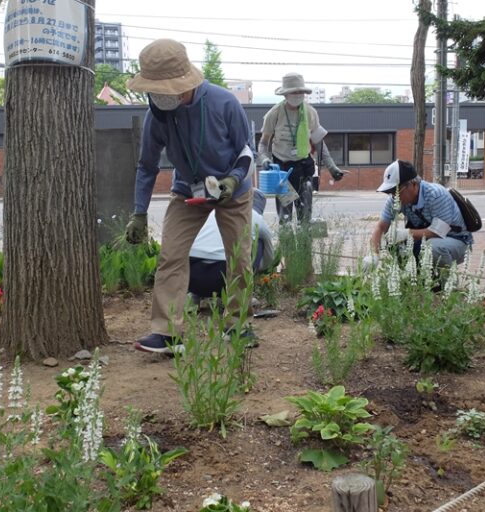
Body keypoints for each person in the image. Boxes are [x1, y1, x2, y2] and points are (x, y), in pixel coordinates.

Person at [124, 39, 255, 354]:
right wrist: (139, 212)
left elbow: (248, 149)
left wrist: (233, 181)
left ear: (183, 85)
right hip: (187, 190)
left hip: (231, 188)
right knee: (171, 254)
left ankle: (238, 324)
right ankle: (167, 333)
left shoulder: (224, 103)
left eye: (163, 89)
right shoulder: (156, 115)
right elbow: (146, 166)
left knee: (238, 256)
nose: (157, 96)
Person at [257, 72, 347, 223]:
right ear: (285, 94)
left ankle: (305, 245)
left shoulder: (310, 113)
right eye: (294, 91)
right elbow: (263, 143)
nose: (298, 95)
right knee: (285, 219)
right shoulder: (274, 114)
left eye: (301, 91)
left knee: (305, 218)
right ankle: (287, 245)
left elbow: (319, 142)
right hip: (282, 172)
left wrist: (332, 168)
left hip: (304, 168)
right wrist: (264, 158)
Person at [369, 160, 473, 270]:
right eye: (390, 192)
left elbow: (439, 231)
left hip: (456, 240)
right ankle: (411, 277)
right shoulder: (395, 199)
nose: (394, 196)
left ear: (413, 184)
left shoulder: (436, 195)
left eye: (396, 190)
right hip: (425, 238)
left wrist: (407, 233)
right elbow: (381, 227)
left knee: (432, 247)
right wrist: (373, 254)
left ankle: (445, 282)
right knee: (393, 243)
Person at [188, 189, 276, 300]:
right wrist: (257, 271)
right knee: (258, 242)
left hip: (191, 276)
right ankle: (241, 295)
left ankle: (196, 296)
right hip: (226, 277)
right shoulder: (255, 216)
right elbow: (269, 257)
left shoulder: (213, 211)